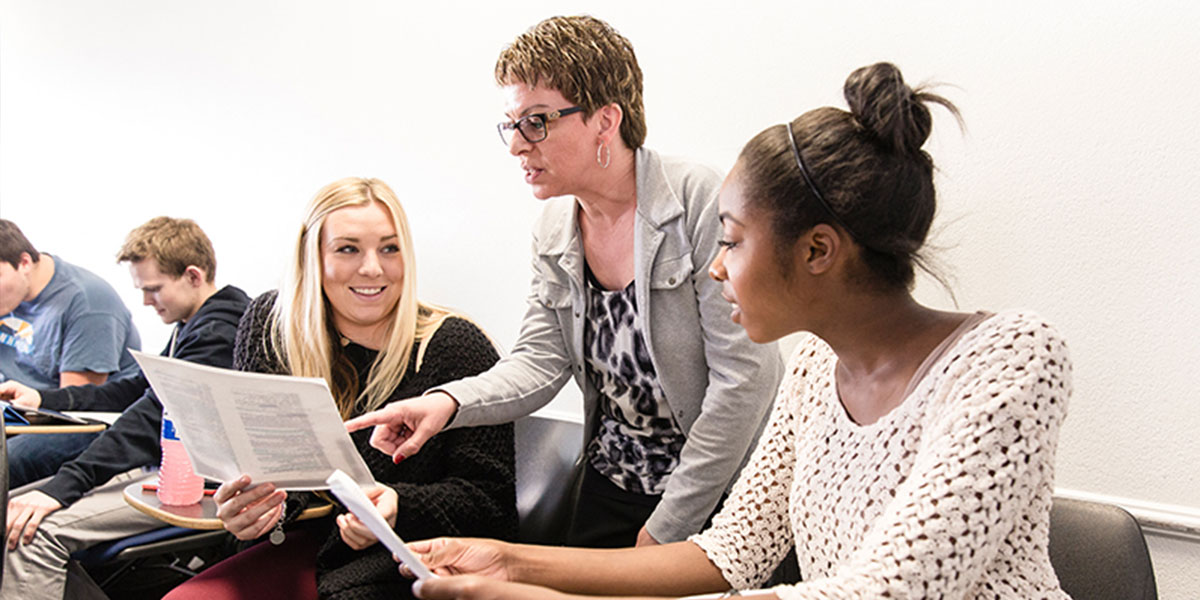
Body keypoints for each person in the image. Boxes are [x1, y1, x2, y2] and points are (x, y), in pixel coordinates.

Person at [397, 63, 1074, 600]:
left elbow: (885, 592)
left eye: (732, 240)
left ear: (817, 251)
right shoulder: (814, 369)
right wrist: (509, 562)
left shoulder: (1011, 355)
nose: (716, 268)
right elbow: (727, 553)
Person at [346, 15, 782, 549]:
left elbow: (744, 380)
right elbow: (538, 362)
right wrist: (445, 404)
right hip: (613, 480)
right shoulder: (554, 227)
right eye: (511, 124)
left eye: (536, 121)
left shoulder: (698, 200)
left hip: (718, 490)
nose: (516, 145)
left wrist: (667, 528)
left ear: (606, 120)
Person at [162, 177, 516, 600]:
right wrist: (258, 511)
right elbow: (270, 470)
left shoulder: (454, 347)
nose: (373, 268)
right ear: (313, 257)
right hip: (298, 548)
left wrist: (399, 506)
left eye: (390, 248)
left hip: (401, 562)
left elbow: (492, 505)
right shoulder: (272, 326)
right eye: (348, 249)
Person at [1, 216, 251, 600]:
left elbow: (150, 417)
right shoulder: (194, 322)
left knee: (29, 535)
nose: (146, 302)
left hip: (202, 486)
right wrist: (44, 399)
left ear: (193, 276)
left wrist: (63, 488)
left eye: (153, 289)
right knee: (12, 512)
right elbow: (133, 389)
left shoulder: (219, 333)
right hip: (165, 469)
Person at [0, 219, 142, 486]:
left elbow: (73, 404)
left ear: (24, 263)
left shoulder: (88, 303)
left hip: (81, 419)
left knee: (7, 460)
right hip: (19, 409)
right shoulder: (9, 295)